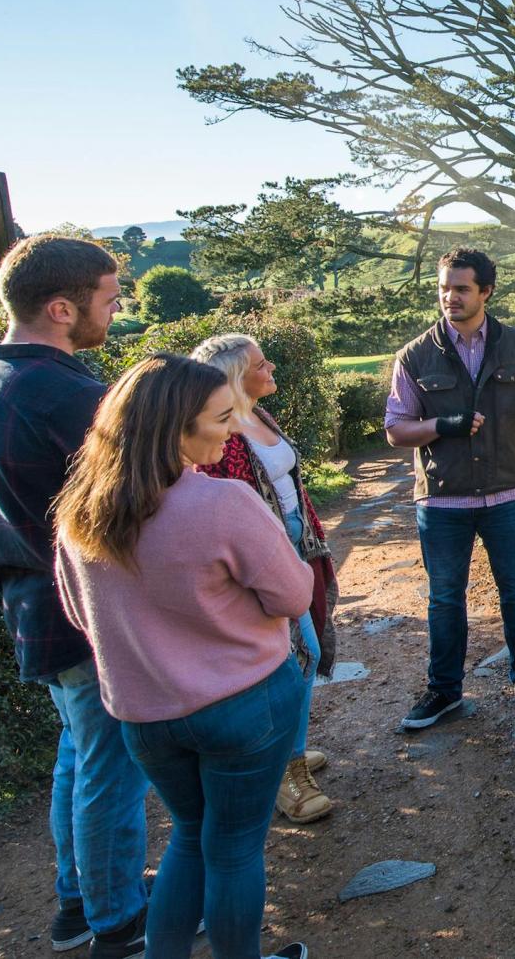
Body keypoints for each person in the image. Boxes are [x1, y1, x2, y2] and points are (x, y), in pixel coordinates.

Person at [53, 353, 311, 959]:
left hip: (145, 717)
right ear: (174, 428)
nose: (231, 430)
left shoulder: (78, 516)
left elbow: (78, 615)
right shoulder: (224, 503)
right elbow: (295, 594)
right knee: (236, 848)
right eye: (221, 419)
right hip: (245, 703)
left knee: (190, 837)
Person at [0, 234, 151, 958]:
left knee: (79, 754)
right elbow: (141, 507)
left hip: (29, 604)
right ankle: (119, 922)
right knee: (112, 767)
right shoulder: (73, 397)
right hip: (86, 609)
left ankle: (77, 901)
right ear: (62, 309)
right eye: (109, 298)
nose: (116, 311)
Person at [384, 247, 515, 729]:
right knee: (445, 597)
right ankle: (444, 691)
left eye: (461, 288)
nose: (450, 297)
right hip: (443, 495)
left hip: (509, 492)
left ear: (486, 292)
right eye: (444, 288)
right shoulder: (413, 356)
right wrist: (442, 424)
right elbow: (395, 429)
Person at [189, 332, 339, 824]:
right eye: (260, 362)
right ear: (235, 375)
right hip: (260, 561)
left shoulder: (258, 415)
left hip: (293, 548)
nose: (269, 367)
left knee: (304, 650)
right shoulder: (224, 432)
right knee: (299, 654)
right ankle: (284, 771)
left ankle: (286, 753)